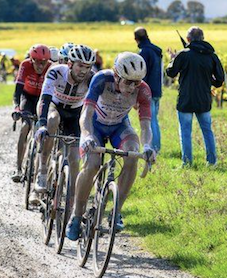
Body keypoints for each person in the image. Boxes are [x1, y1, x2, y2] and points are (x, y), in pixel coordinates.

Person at [65, 52, 156, 240]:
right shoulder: (101, 79)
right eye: (128, 82)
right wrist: (87, 135)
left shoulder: (143, 90)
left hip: (119, 127)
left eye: (136, 82)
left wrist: (148, 146)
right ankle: (76, 215)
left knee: (133, 154)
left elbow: (146, 125)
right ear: (116, 76)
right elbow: (86, 114)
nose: (132, 87)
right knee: (92, 165)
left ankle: (116, 211)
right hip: (95, 126)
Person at [31, 45, 97, 205]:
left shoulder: (92, 78)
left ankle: (71, 203)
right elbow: (45, 98)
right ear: (70, 64)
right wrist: (42, 124)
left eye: (87, 67)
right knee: (52, 119)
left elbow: (96, 106)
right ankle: (42, 171)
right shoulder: (56, 72)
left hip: (74, 113)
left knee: (74, 158)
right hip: (54, 106)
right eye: (80, 66)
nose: (84, 71)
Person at [165, 26, 225, 167]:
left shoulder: (183, 55)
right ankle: (212, 162)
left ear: (188, 39)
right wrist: (208, 80)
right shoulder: (212, 56)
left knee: (185, 132)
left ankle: (187, 163)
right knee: (207, 131)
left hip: (185, 99)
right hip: (204, 100)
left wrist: (172, 59)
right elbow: (220, 80)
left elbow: (170, 73)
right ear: (203, 38)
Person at [11, 44, 52, 182]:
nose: (41, 66)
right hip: (27, 97)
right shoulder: (25, 65)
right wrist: (16, 107)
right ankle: (18, 168)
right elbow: (17, 90)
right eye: (38, 62)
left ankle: (41, 168)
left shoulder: (51, 67)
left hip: (42, 100)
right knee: (25, 127)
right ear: (32, 59)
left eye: (44, 62)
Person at [134, 27, 163, 153]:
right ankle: (156, 146)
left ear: (136, 39)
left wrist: (137, 93)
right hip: (157, 89)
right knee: (154, 120)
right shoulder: (156, 51)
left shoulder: (144, 52)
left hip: (147, 91)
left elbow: (142, 74)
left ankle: (153, 148)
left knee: (150, 121)